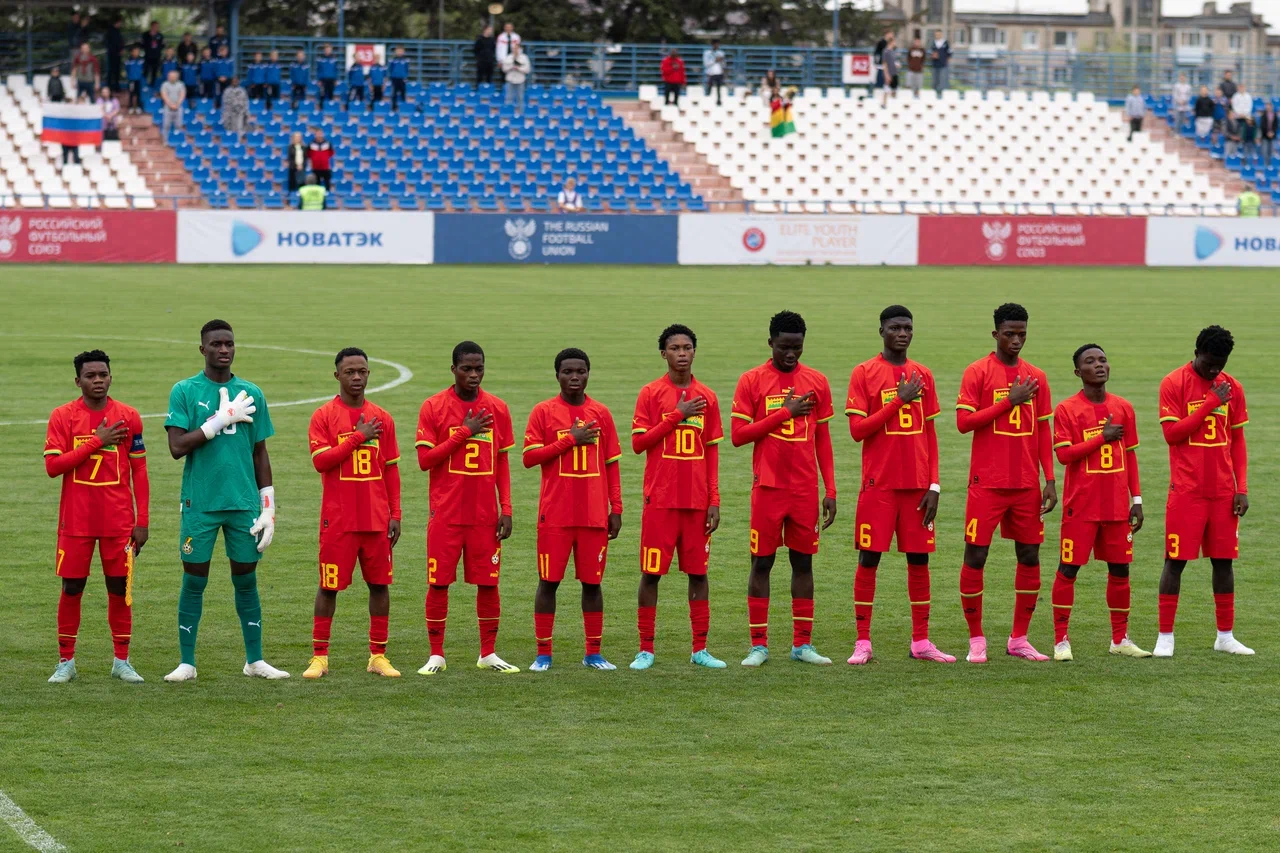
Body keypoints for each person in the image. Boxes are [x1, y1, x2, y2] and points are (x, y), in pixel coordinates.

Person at [163, 320, 288, 683]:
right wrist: (217, 422)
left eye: (229, 344)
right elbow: (176, 447)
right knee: (194, 580)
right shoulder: (184, 391)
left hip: (243, 504)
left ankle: (255, 660)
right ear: (202, 349)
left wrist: (268, 505)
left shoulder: (252, 393)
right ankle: (187, 662)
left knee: (246, 580)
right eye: (216, 344)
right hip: (200, 503)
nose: (224, 350)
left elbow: (260, 451)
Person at [845, 306, 953, 665]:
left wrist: (935, 484)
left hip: (918, 487)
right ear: (881, 331)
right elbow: (858, 431)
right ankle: (863, 642)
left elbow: (931, 433)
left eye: (908, 327)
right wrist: (898, 400)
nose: (902, 333)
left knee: (919, 560)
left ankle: (921, 642)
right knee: (869, 559)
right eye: (895, 328)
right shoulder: (864, 372)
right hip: (879, 486)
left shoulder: (923, 374)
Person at [730, 310, 837, 668]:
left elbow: (822, 439)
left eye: (797, 348)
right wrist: (784, 413)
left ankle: (802, 645)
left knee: (803, 563)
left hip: (805, 489)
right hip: (769, 487)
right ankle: (758, 645)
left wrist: (831, 489)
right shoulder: (752, 380)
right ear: (771, 343)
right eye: (784, 348)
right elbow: (739, 436)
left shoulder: (817, 381)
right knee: (762, 562)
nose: (791, 355)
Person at [955, 303, 1057, 664]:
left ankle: (1019, 638)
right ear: (995, 334)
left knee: (1029, 555)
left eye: (1022, 334)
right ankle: (976, 639)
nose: (1016, 340)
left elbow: (1043, 431)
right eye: (1010, 334)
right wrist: (1008, 403)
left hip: (1027, 485)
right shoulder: (978, 372)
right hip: (987, 484)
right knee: (976, 555)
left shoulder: (1036, 377)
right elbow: (964, 423)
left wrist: (1049, 479)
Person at [43, 350, 149, 685]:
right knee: (72, 588)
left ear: (110, 376)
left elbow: (140, 470)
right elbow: (53, 467)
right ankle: (66, 662)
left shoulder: (128, 416)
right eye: (91, 376)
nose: (98, 380)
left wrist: (142, 520)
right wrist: (96, 441)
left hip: (118, 522)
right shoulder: (63, 416)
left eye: (103, 374)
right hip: (76, 522)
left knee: (119, 588)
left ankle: (121, 661)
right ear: (78, 381)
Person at [415, 341, 520, 676]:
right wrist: (465, 432)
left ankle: (488, 652)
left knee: (489, 583)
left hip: (484, 516)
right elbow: (425, 460)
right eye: (467, 369)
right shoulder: (433, 407)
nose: (474, 375)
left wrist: (506, 507)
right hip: (446, 514)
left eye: (479, 368)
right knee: (439, 582)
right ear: (453, 370)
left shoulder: (498, 408)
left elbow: (502, 462)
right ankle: (436, 654)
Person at [629, 325, 726, 671]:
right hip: (661, 500)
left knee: (698, 574)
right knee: (651, 574)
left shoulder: (708, 397)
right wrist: (677, 416)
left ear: (694, 352)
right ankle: (646, 649)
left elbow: (711, 454)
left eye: (687, 347)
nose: (682, 353)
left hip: (697, 503)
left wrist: (714, 500)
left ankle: (700, 649)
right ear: (664, 354)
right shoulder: (651, 393)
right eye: (675, 348)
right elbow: (639, 444)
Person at [303, 348, 403, 680]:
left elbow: (390, 470)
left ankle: (378, 655)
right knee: (328, 587)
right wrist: (359, 436)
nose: (357, 377)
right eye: (350, 372)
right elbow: (321, 461)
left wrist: (396, 513)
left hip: (375, 519)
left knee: (379, 585)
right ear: (338, 376)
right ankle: (320, 657)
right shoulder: (323, 416)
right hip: (339, 519)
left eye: (362, 371)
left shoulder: (383, 418)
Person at [1154, 326, 1252, 658]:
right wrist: (1209, 403)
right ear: (1196, 352)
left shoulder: (1232, 387)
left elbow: (1237, 442)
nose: (1214, 371)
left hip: (1223, 492)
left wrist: (1243, 488)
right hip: (1187, 491)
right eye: (1209, 363)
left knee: (1224, 563)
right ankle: (1165, 636)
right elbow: (1173, 435)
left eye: (1220, 364)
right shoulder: (1173, 383)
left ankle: (1225, 636)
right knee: (1176, 561)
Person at [523, 348, 623, 672]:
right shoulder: (543, 412)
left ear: (588, 374)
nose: (575, 377)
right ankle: (543, 654)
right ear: (557, 375)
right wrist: (571, 439)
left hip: (593, 515)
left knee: (593, 585)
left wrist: (616, 507)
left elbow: (611, 464)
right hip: (555, 516)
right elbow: (529, 458)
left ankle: (593, 653)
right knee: (548, 582)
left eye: (581, 371)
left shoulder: (602, 414)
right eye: (568, 372)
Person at [1050, 345, 1151, 662]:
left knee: (1121, 571)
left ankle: (1120, 639)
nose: (1099, 365)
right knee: (1068, 570)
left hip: (1117, 508)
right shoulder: (1067, 410)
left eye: (1103, 360)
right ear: (1078, 372)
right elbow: (1064, 455)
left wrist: (1136, 499)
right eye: (1090, 362)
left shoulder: (1124, 407)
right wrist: (1101, 438)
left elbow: (1130, 457)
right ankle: (1060, 641)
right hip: (1081, 507)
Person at [502, 43, 531, 115]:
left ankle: (521, 114)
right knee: (509, 98)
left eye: (517, 48)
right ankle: (508, 114)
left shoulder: (524, 57)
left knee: (520, 98)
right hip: (510, 80)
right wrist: (511, 67)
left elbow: (527, 69)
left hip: (520, 80)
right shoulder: (508, 57)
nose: (515, 50)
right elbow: (504, 69)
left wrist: (519, 68)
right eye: (514, 48)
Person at [160, 68, 186, 140]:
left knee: (179, 125)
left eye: (174, 76)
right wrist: (171, 105)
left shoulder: (181, 85)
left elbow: (182, 95)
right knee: (166, 125)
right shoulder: (164, 85)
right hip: (168, 108)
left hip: (178, 108)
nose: (172, 78)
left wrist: (177, 105)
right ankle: (165, 141)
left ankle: (177, 140)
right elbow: (164, 95)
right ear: (168, 77)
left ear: (177, 77)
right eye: (170, 76)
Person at [141, 21, 164, 88]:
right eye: (155, 26)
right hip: (147, 56)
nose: (157, 28)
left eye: (157, 26)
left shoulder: (160, 35)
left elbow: (162, 45)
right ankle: (143, 85)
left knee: (154, 72)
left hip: (156, 56)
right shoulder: (145, 34)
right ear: (152, 26)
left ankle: (152, 86)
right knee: (145, 71)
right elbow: (142, 44)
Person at [702, 40, 725, 106]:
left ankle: (719, 101)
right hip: (711, 73)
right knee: (709, 87)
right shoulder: (707, 53)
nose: (717, 46)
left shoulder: (721, 53)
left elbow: (724, 65)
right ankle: (707, 101)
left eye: (718, 44)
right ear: (712, 45)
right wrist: (715, 60)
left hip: (719, 73)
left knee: (719, 88)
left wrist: (721, 61)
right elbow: (706, 64)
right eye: (715, 44)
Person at [105, 17, 124, 92]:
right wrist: (117, 49)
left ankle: (116, 86)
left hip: (118, 54)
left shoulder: (118, 31)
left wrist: (121, 49)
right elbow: (111, 43)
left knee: (117, 71)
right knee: (111, 71)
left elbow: (120, 42)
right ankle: (109, 87)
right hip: (112, 54)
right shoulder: (110, 31)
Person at [880, 32, 899, 107]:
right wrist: (886, 74)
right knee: (886, 88)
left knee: (894, 89)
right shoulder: (886, 51)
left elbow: (893, 61)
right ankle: (884, 104)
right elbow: (884, 64)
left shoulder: (893, 51)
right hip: (889, 73)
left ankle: (892, 105)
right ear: (891, 42)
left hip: (894, 72)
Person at [930, 29, 951, 94]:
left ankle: (942, 94)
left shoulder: (945, 42)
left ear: (941, 34)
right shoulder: (933, 43)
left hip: (943, 64)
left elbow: (949, 52)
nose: (937, 35)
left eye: (939, 34)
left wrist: (947, 60)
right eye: (936, 34)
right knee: (935, 80)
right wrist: (933, 55)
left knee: (943, 80)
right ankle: (934, 93)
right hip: (935, 64)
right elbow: (931, 52)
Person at [389, 46, 409, 111]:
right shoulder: (393, 60)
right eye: (398, 51)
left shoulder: (405, 60)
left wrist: (405, 77)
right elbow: (391, 69)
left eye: (401, 51)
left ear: (403, 52)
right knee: (394, 93)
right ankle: (393, 108)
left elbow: (406, 69)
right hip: (395, 79)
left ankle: (403, 108)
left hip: (402, 79)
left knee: (403, 93)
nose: (399, 52)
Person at [125, 48, 144, 113]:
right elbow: (127, 69)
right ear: (132, 52)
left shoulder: (141, 60)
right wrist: (130, 76)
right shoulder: (128, 60)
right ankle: (130, 107)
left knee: (138, 94)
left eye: (137, 52)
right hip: (131, 80)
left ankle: (138, 107)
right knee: (131, 93)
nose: (136, 53)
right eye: (135, 51)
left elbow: (143, 68)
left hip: (138, 80)